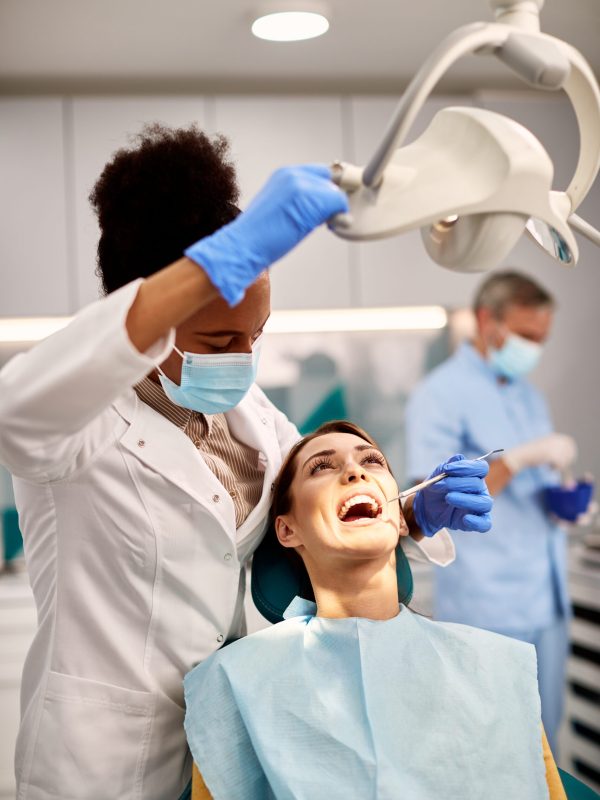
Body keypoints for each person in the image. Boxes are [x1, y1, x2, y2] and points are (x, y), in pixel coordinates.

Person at [0, 124, 493, 800]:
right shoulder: (76, 423)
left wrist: (409, 510)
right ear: (146, 313)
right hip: (104, 769)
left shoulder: (250, 414)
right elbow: (15, 408)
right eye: (219, 337)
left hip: (226, 744)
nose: (243, 357)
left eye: (256, 334)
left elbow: (312, 502)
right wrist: (217, 260)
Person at [183, 421, 565, 800]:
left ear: (401, 517)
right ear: (287, 530)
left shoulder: (496, 667)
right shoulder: (232, 685)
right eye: (321, 466)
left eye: (372, 461)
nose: (355, 471)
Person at [405, 270, 577, 755]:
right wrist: (519, 458)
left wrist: (564, 507)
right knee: (494, 745)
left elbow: (534, 491)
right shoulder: (439, 394)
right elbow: (436, 499)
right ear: (487, 321)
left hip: (546, 595)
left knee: (547, 743)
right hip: (489, 603)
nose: (533, 348)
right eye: (525, 336)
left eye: (540, 339)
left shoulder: (528, 396)